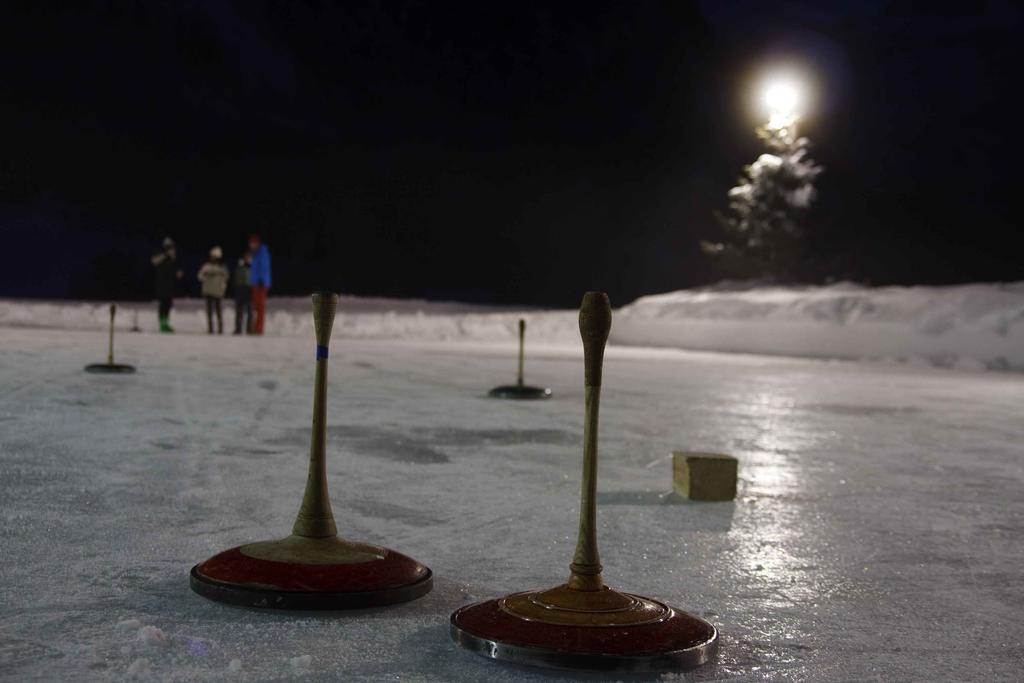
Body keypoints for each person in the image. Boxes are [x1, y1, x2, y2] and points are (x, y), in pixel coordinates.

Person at [150, 237, 183, 333]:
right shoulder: (160, 254)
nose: (170, 248)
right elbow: (154, 261)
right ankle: (162, 324)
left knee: (168, 304)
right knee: (163, 304)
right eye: (168, 246)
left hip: (170, 285)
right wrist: (165, 255)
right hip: (161, 284)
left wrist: (177, 273)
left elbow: (173, 268)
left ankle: (166, 323)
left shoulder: (172, 257)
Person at [198, 246, 229, 334]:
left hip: (217, 292)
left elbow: (225, 278)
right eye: (212, 256)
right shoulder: (206, 266)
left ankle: (220, 328)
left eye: (215, 256)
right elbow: (199, 276)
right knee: (209, 311)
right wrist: (207, 275)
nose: (213, 258)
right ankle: (210, 328)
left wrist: (223, 288)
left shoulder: (222, 267)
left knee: (218, 311)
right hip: (208, 291)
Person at [248, 234, 272, 335]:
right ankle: (255, 327)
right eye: (250, 244)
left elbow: (264, 267)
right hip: (255, 283)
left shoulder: (262, 252)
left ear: (257, 243)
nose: (251, 245)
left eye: (253, 243)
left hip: (261, 284)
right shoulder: (255, 253)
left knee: (260, 307)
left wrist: (262, 280)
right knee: (255, 307)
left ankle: (259, 329)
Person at [232, 250, 253, 335]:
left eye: (249, 257)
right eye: (246, 257)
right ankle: (238, 328)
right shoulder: (239, 267)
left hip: (249, 289)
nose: (247, 259)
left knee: (249, 310)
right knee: (239, 310)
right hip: (240, 289)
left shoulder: (253, 267)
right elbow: (236, 277)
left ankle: (249, 328)